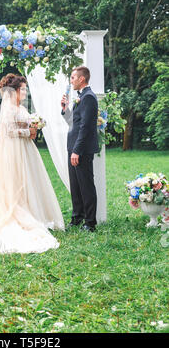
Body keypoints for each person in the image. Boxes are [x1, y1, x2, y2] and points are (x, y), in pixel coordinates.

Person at [0, 74, 65, 253]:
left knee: (29, 180)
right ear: (14, 91)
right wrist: (29, 132)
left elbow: (25, 123)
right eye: (23, 89)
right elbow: (9, 130)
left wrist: (36, 125)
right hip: (14, 150)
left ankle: (33, 211)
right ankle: (17, 213)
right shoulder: (8, 108)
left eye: (25, 89)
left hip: (25, 149)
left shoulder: (19, 107)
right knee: (16, 181)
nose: (25, 92)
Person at [61, 66, 99, 232]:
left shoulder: (89, 97)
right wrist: (65, 108)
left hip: (81, 149)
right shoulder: (81, 97)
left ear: (82, 79)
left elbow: (86, 127)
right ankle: (77, 217)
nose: (71, 80)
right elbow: (73, 123)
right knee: (75, 185)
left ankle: (90, 223)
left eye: (73, 77)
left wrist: (77, 150)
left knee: (86, 186)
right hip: (73, 147)